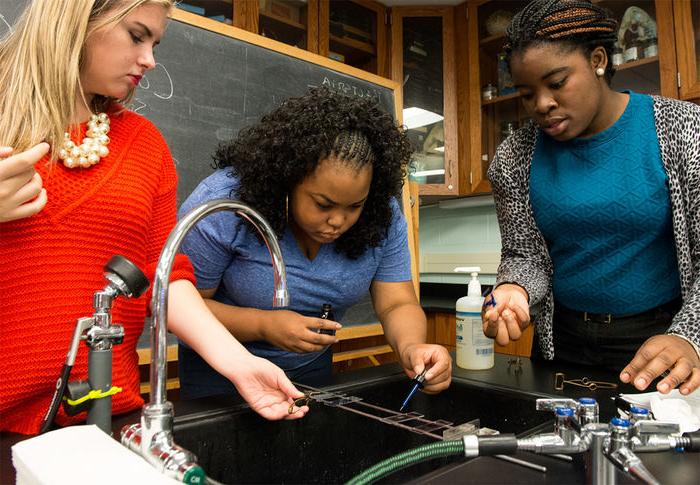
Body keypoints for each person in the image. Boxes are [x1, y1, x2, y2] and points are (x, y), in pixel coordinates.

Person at [0, 0, 308, 436]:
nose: (150, 59)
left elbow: (163, 277)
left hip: (106, 420)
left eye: (155, 42)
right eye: (136, 35)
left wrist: (240, 362)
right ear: (76, 21)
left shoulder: (144, 146)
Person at [482, 0, 700, 395]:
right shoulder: (513, 157)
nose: (542, 104)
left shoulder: (682, 129)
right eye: (527, 93)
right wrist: (515, 288)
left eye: (557, 82)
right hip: (562, 343)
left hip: (659, 344)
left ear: (598, 59)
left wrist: (689, 336)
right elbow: (525, 256)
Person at [177, 87, 453, 399]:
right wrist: (262, 325)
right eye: (323, 204)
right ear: (288, 179)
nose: (338, 221)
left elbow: (397, 302)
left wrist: (412, 346)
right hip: (219, 372)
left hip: (312, 371)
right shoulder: (225, 204)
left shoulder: (382, 213)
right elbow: (180, 305)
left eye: (353, 207)